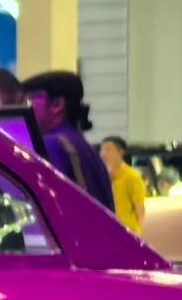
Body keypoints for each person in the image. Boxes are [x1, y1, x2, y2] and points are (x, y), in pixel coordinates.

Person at [18, 69, 115, 205]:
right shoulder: (82, 145)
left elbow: (44, 202)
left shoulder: (52, 144)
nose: (25, 106)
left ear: (57, 105)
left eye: (31, 99)